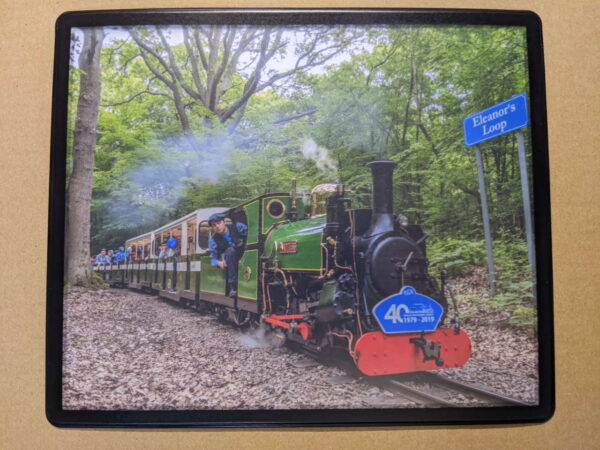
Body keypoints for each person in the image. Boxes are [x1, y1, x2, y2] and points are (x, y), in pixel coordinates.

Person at [207, 213, 247, 298]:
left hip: (243, 251)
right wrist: (218, 263)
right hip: (228, 258)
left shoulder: (238, 227)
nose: (217, 226)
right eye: (214, 225)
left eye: (219, 223)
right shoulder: (212, 240)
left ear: (224, 222)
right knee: (230, 251)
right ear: (212, 228)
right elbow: (213, 259)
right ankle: (233, 285)